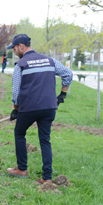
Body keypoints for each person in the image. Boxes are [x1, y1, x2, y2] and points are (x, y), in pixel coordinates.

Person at [5, 34, 72, 184]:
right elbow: (68, 73)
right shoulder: (49, 60)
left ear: (21, 46)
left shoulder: (20, 64)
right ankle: (46, 178)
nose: (14, 52)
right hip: (49, 107)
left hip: (29, 108)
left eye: (15, 49)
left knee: (19, 133)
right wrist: (63, 93)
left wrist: (16, 108)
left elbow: (16, 92)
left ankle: (22, 169)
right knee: (45, 140)